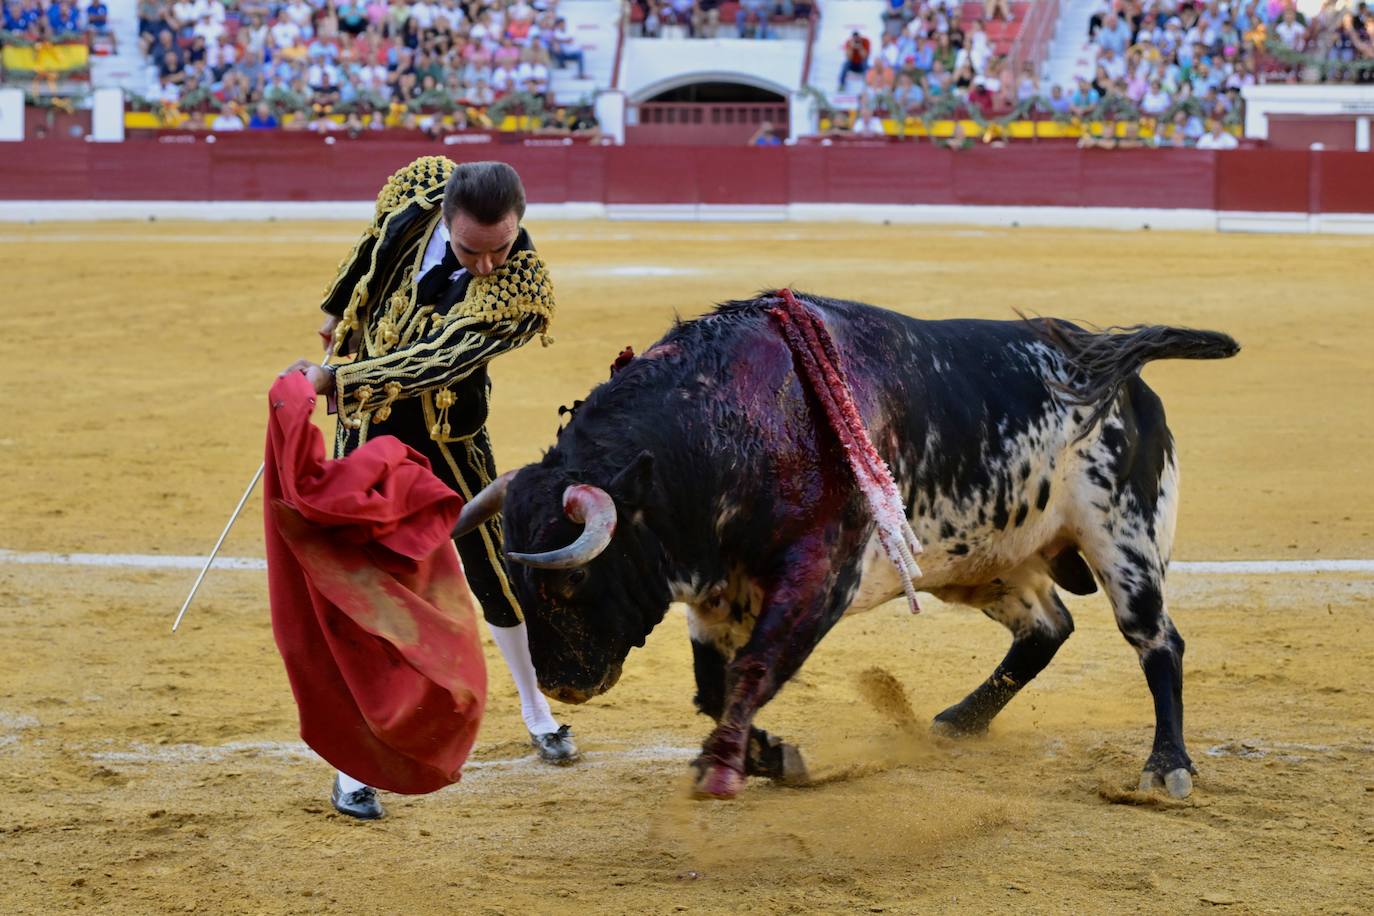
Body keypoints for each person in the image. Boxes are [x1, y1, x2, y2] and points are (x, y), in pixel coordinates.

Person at [283, 158, 581, 821]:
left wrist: (337, 380)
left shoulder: (522, 292)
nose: (488, 266)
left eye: (502, 248)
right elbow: (373, 245)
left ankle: (536, 711)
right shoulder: (419, 191)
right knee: (361, 578)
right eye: (473, 251)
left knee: (492, 567)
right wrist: (338, 313)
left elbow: (440, 359)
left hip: (449, 430)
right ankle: (352, 764)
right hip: (368, 425)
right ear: (445, 220)